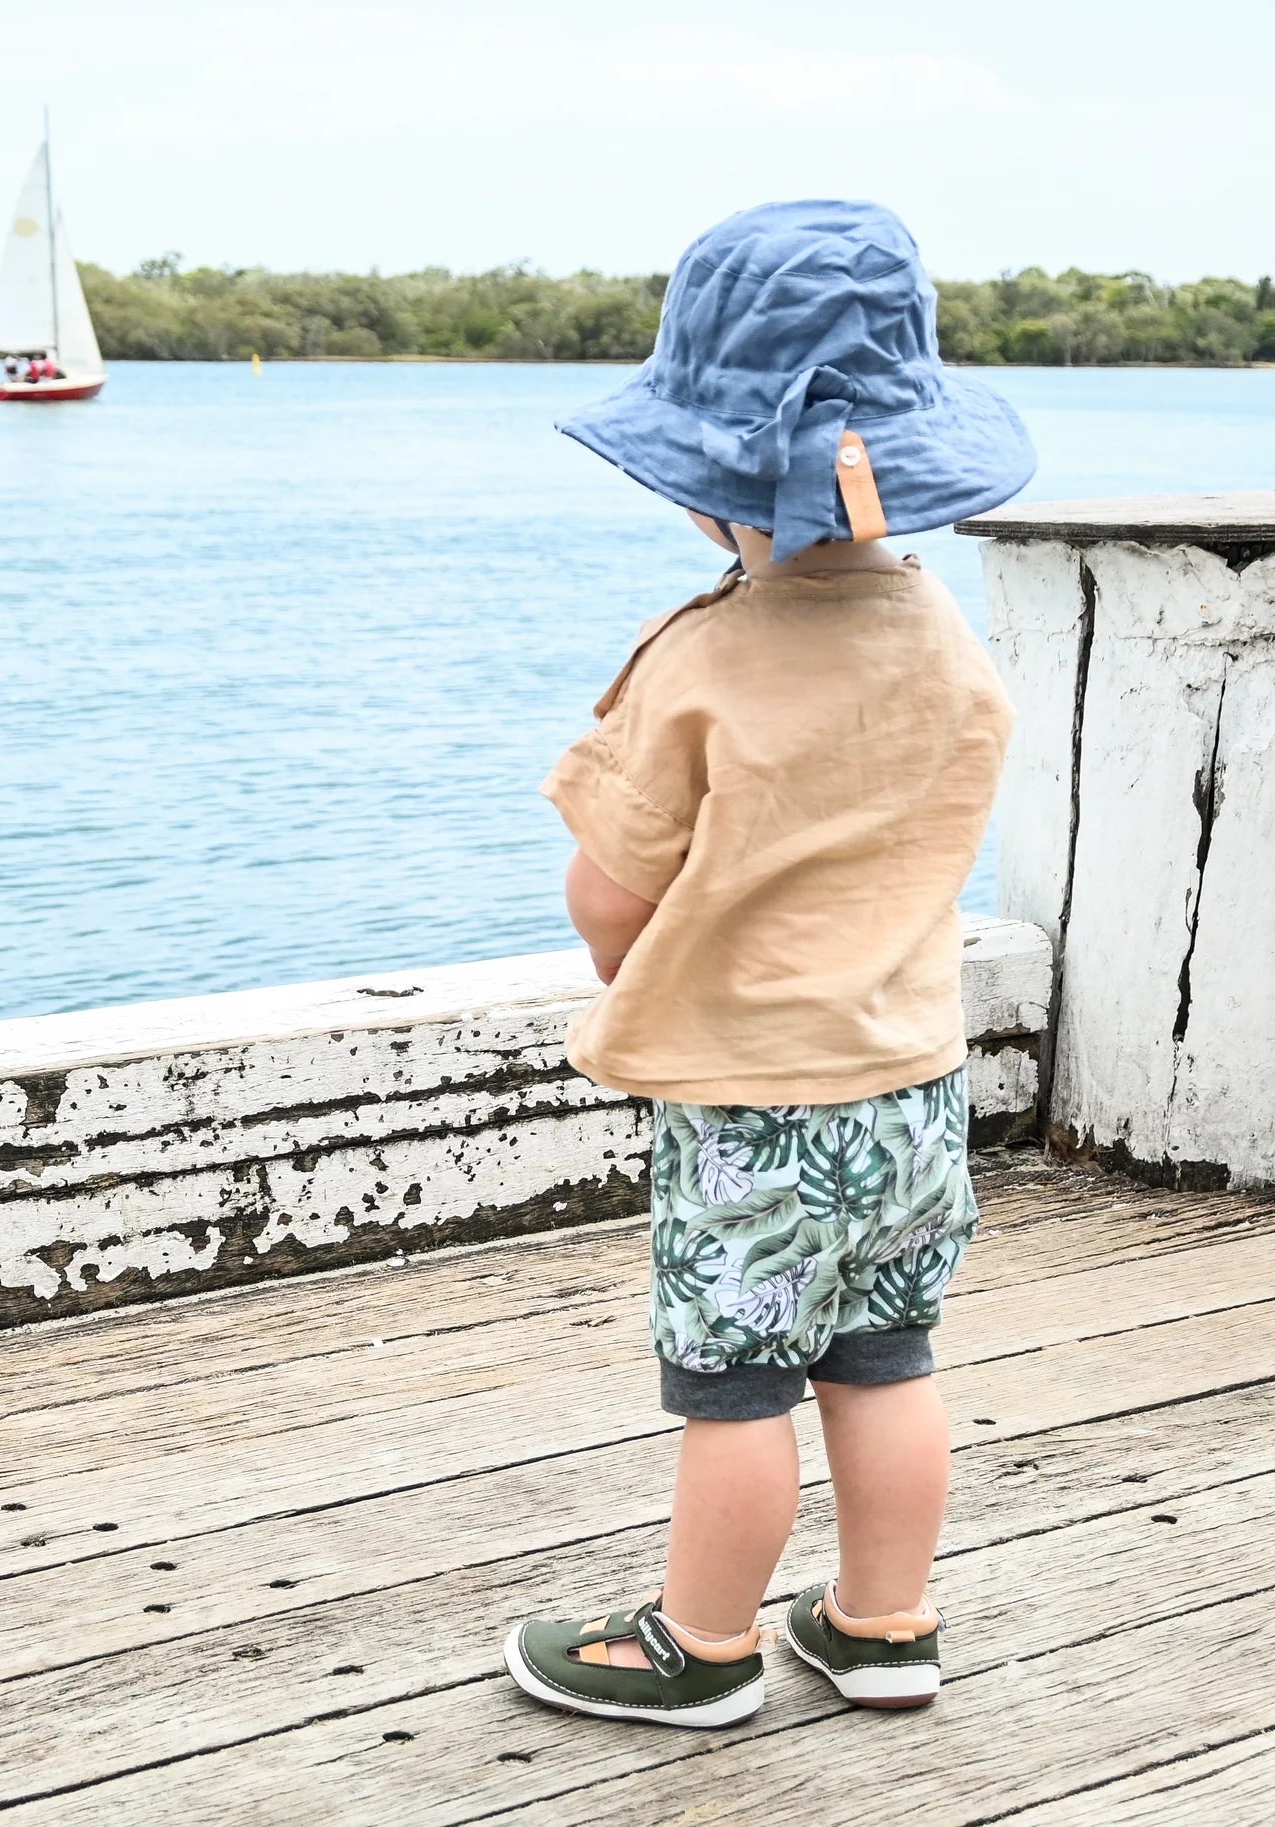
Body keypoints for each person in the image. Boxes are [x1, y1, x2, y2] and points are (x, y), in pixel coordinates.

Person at [501, 200, 1035, 1728]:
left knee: (736, 1385)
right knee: (886, 1358)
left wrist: (642, 972)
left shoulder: (703, 658)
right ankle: (883, 1626)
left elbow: (608, 896)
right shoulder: (947, 642)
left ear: (706, 480)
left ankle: (703, 1647)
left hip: (754, 1109)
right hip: (912, 1086)